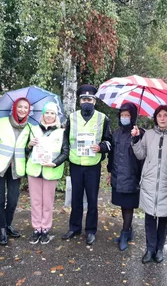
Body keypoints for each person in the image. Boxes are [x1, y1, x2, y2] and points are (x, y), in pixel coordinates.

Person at [131, 105, 167, 264]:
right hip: (149, 181)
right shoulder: (148, 134)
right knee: (149, 216)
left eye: (165, 115)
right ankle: (150, 249)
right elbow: (140, 155)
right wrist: (135, 139)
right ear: (155, 118)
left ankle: (160, 249)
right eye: (159, 115)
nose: (162, 118)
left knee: (164, 217)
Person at [62, 84, 112, 245]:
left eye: (89, 99)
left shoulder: (103, 118)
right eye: (83, 99)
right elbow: (65, 139)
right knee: (75, 198)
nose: (86, 102)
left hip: (93, 164)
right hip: (76, 163)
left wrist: (101, 147)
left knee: (92, 199)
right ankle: (74, 227)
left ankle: (90, 230)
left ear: (95, 101)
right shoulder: (71, 117)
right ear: (79, 101)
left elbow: (110, 141)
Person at [0, 97, 31, 246]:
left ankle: (8, 224)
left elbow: (28, 150)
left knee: (13, 200)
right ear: (15, 107)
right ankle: (2, 228)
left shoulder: (29, 128)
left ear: (28, 111)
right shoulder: (3, 123)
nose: (22, 110)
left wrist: (30, 146)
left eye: (25, 108)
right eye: (20, 106)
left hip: (16, 169)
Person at [26, 102, 69, 245]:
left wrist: (55, 163)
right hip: (34, 170)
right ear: (42, 115)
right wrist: (29, 145)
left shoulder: (61, 132)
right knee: (36, 202)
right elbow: (25, 151)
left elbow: (65, 152)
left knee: (48, 202)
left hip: (51, 170)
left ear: (56, 116)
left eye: (52, 113)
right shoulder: (33, 129)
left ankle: (45, 229)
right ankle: (36, 228)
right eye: (47, 113)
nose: (49, 115)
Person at [107, 102, 144, 251]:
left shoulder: (140, 132)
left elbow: (142, 155)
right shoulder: (116, 133)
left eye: (127, 115)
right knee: (123, 204)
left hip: (132, 175)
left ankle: (124, 233)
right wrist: (110, 171)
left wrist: (136, 138)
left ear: (133, 116)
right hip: (117, 174)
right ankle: (128, 231)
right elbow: (111, 154)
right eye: (122, 115)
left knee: (128, 205)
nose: (124, 118)